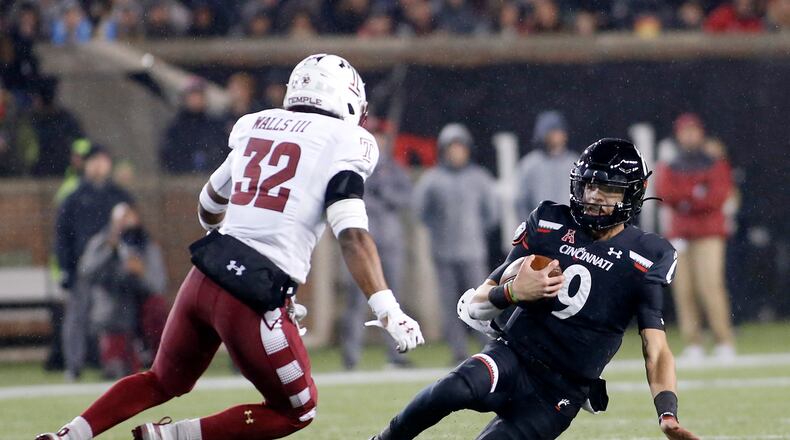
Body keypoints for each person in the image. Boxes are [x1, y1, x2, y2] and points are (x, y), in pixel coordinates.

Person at [37, 53, 424, 440]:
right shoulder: (345, 140)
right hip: (254, 296)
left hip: (204, 277)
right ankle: (167, 438)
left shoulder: (258, 124)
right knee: (298, 410)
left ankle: (67, 436)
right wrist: (387, 308)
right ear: (346, 98)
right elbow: (352, 235)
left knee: (161, 379)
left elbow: (208, 205)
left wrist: (242, 236)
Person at [371, 139, 699, 440]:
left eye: (608, 189)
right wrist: (512, 294)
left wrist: (667, 414)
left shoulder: (647, 255)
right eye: (589, 185)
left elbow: (655, 350)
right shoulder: (550, 222)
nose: (595, 196)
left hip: (560, 390)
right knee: (452, 389)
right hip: (513, 355)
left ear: (631, 193)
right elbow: (476, 304)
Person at [413, 122, 498, 364]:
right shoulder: (432, 179)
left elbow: (491, 213)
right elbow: (420, 212)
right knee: (451, 305)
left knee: (481, 302)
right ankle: (459, 351)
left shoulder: (479, 178)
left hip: (473, 252)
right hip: (443, 253)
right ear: (443, 150)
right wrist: (439, 231)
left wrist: (475, 231)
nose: (456, 152)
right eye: (451, 148)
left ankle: (487, 349)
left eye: (460, 147)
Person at [656, 113, 736, 362]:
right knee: (684, 290)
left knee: (710, 286)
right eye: (685, 131)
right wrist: (695, 196)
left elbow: (717, 196)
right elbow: (665, 193)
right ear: (678, 135)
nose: (690, 135)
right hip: (680, 234)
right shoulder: (671, 164)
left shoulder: (714, 162)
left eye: (693, 130)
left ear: (700, 133)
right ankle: (694, 343)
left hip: (709, 234)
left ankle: (723, 341)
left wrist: (686, 201)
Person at [54, 145, 133, 381]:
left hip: (113, 268)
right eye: (94, 161)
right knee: (77, 317)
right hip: (84, 267)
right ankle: (74, 365)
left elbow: (133, 229)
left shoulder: (119, 196)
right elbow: (62, 237)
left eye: (103, 160)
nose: (99, 166)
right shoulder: (74, 198)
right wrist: (65, 269)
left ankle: (114, 362)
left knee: (116, 316)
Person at [340, 117, 413, 370]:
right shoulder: (355, 168)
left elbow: (406, 199)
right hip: (363, 242)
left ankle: (397, 354)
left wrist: (388, 193)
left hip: (391, 242)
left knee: (393, 299)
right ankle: (351, 357)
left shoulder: (394, 169)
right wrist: (372, 193)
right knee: (357, 301)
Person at [79, 203, 168, 378]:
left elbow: (158, 284)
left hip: (141, 301)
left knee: (156, 307)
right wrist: (109, 251)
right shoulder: (101, 242)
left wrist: (140, 273)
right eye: (120, 219)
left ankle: (159, 357)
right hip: (114, 300)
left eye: (129, 218)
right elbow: (87, 272)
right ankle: (115, 360)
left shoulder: (147, 246)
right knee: (115, 307)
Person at [515, 110, 577, 220]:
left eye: (559, 130)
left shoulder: (575, 163)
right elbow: (521, 202)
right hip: (541, 229)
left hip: (570, 229)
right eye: (552, 131)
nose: (556, 135)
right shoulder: (530, 165)